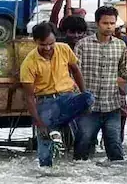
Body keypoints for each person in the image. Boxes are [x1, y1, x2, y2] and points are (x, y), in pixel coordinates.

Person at [73, 6, 127, 162]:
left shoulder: (120, 45)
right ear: (97, 23)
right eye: (105, 23)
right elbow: (74, 72)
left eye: (112, 23)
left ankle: (115, 182)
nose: (109, 26)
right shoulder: (82, 45)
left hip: (112, 105)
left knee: (115, 146)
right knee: (82, 144)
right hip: (89, 106)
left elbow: (122, 69)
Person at [21, 22, 93, 167]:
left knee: (89, 98)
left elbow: (76, 71)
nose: (47, 48)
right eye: (43, 44)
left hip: (67, 97)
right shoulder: (29, 63)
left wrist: (82, 93)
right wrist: (39, 123)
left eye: (51, 43)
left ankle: (60, 127)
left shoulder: (64, 49)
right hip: (46, 103)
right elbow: (29, 97)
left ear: (56, 40)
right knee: (45, 156)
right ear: (35, 42)